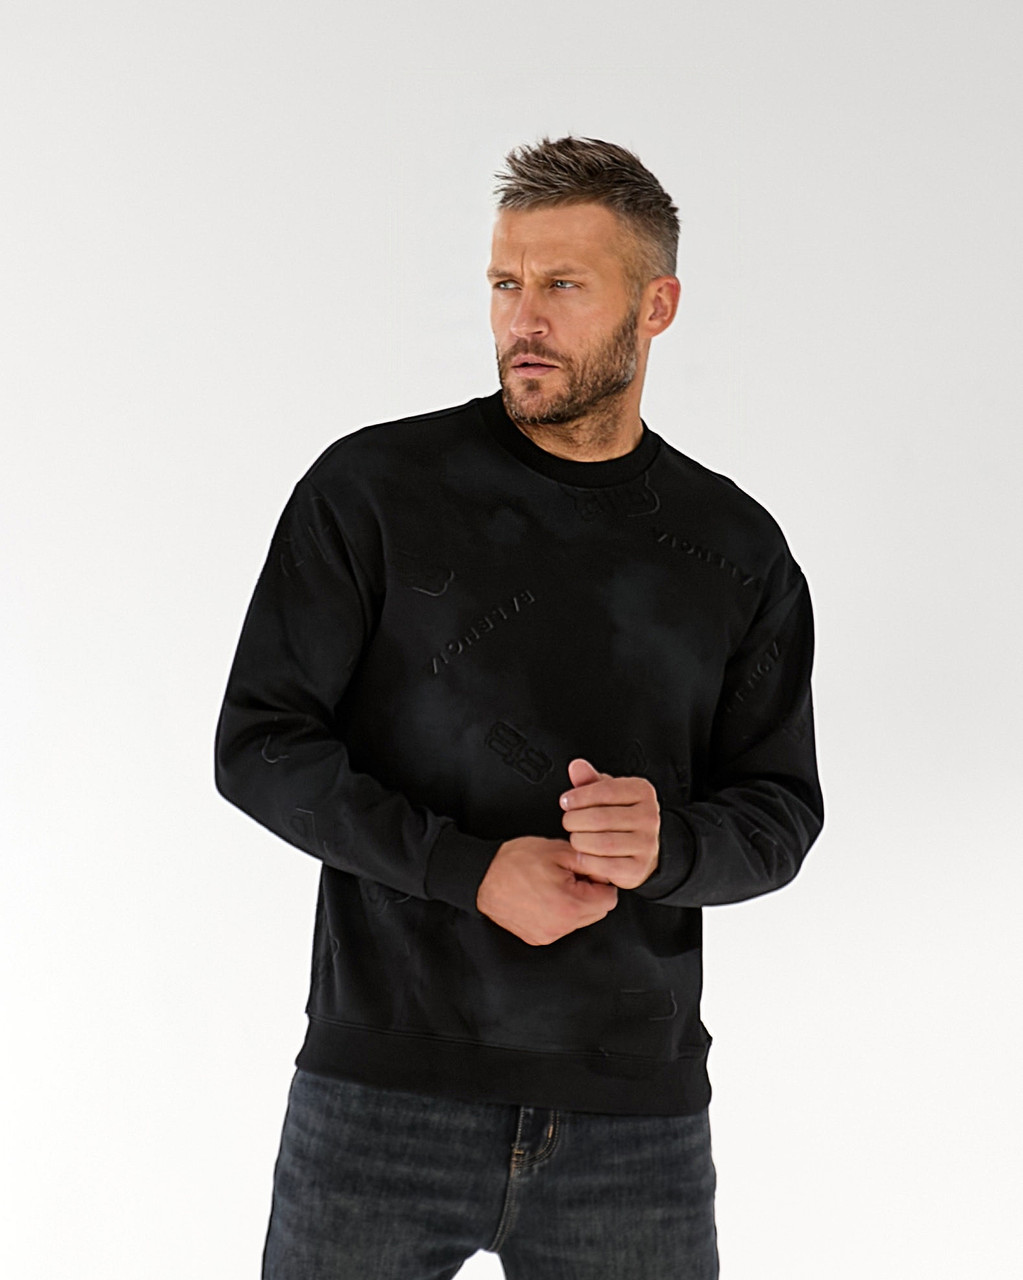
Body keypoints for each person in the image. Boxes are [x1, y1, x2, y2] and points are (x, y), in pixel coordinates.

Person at [215, 135, 823, 1280]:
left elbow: (781, 811)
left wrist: (669, 844)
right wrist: (470, 870)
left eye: (562, 285)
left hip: (632, 1125)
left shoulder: (737, 550)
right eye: (506, 281)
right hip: (381, 1099)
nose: (521, 319)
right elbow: (259, 744)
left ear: (657, 306)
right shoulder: (372, 491)